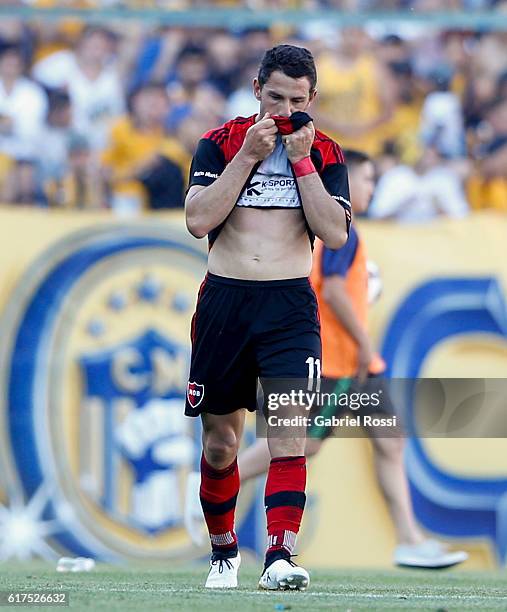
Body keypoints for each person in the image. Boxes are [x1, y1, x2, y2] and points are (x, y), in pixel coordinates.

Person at [185, 149, 469, 571]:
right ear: (347, 184)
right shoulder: (342, 232)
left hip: (358, 366)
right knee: (303, 443)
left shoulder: (348, 232)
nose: (372, 187)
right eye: (366, 179)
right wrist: (365, 345)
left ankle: (409, 539)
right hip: (340, 361)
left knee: (391, 438)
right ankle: (221, 482)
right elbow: (332, 289)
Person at [184, 44, 351, 591]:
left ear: (312, 99)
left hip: (288, 308)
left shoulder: (324, 151)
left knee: (289, 434)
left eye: (296, 100)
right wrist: (248, 157)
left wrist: (301, 162)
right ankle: (224, 551)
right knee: (221, 443)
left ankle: (279, 554)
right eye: (274, 96)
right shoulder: (220, 141)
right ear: (257, 89)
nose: (283, 109)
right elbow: (198, 219)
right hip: (226, 301)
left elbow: (334, 232)